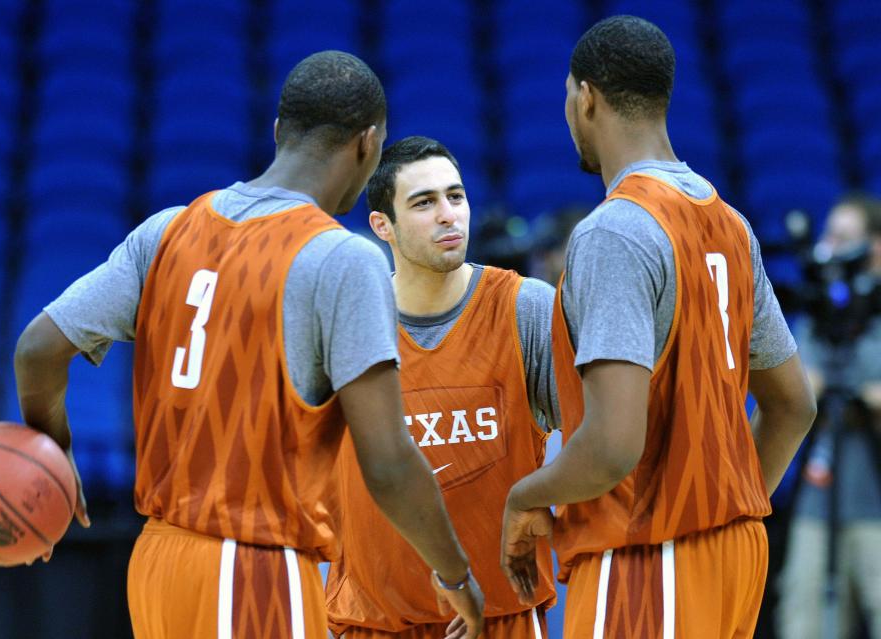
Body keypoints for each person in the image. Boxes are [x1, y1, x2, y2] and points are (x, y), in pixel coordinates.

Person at [13, 51, 484, 639]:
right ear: (369, 145)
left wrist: (54, 456)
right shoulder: (343, 257)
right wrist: (455, 574)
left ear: (279, 131)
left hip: (156, 563)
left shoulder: (167, 230)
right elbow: (387, 461)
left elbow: (36, 349)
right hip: (253, 569)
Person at [498, 16, 817, 638]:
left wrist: (526, 495)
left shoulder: (614, 230)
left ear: (584, 97)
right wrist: (730, 511)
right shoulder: (728, 220)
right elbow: (794, 405)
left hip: (649, 559)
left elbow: (614, 446)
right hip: (735, 554)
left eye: (568, 96)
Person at [326, 136, 559, 638]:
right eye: (425, 203)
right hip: (375, 622)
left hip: (504, 618)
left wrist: (548, 491)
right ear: (381, 225)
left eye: (456, 197)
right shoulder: (345, 320)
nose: (448, 215)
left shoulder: (526, 308)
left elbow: (599, 436)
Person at [777, 195, 881, 639]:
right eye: (829, 235)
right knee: (804, 618)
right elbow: (791, 401)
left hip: (875, 498)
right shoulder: (818, 316)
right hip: (817, 497)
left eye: (844, 237)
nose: (830, 246)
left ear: (874, 248)